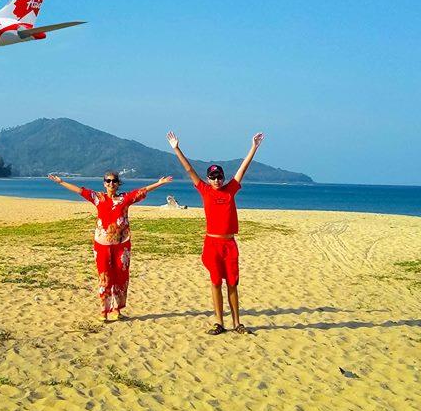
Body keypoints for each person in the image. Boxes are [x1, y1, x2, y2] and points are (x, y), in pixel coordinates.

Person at [167, 130, 264, 335]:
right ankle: (219, 322)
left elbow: (242, 169)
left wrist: (253, 148)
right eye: (213, 177)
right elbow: (189, 169)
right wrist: (177, 149)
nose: (217, 180)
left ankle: (237, 323)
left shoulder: (231, 189)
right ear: (208, 179)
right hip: (212, 244)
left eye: (219, 176)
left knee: (232, 284)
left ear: (223, 177)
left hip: (229, 244)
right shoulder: (204, 190)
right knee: (215, 283)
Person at [48, 171, 173, 321]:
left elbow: (142, 191)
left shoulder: (124, 198)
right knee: (104, 277)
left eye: (114, 181)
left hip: (122, 245)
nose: (111, 184)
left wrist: (159, 183)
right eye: (108, 181)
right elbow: (79, 190)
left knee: (120, 276)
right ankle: (103, 310)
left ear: (118, 183)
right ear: (104, 183)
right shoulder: (98, 198)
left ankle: (116, 309)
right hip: (101, 245)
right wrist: (61, 182)